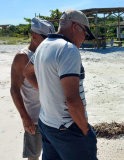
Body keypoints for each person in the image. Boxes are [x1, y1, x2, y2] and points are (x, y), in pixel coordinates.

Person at [23, 9, 97, 160]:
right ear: (75, 27)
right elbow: (72, 99)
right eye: (86, 33)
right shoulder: (68, 49)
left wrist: (47, 90)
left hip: (46, 123)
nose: (85, 38)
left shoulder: (44, 45)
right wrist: (85, 130)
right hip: (67, 127)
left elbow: (27, 72)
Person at [10, 17, 55, 160]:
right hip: (34, 120)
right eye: (46, 38)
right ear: (34, 36)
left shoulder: (49, 54)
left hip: (53, 118)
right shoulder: (22, 58)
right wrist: (24, 117)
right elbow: (14, 89)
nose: (49, 42)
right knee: (33, 156)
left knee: (54, 154)